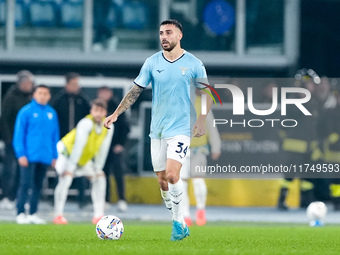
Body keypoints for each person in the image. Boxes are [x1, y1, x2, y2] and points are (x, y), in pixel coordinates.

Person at [104, 19, 213, 241]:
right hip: (158, 131)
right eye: (161, 33)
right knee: (163, 181)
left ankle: (177, 223)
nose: (164, 36)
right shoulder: (152, 62)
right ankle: (179, 220)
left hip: (181, 129)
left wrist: (201, 119)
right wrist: (116, 113)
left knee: (173, 175)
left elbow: (208, 94)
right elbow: (135, 91)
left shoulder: (194, 63)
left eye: (168, 33)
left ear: (179, 36)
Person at [53, 99, 114, 225]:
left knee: (100, 177)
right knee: (66, 179)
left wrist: (98, 167)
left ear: (105, 112)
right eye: (96, 110)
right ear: (91, 111)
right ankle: (58, 215)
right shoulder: (86, 123)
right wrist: (70, 168)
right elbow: (78, 146)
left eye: (101, 111)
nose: (98, 113)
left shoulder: (109, 126)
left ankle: (98, 215)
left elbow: (103, 149)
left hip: (82, 159)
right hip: (66, 153)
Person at [13, 85, 59, 224]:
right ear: (34, 95)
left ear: (49, 96)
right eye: (40, 93)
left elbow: (55, 135)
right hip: (29, 155)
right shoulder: (26, 111)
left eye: (45, 93)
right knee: (25, 184)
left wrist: (54, 155)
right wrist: (21, 153)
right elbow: (19, 134)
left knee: (38, 185)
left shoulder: (51, 113)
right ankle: (20, 212)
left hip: (45, 156)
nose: (43, 96)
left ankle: (33, 212)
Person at [181, 93, 221, 226]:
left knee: (198, 180)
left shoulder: (203, 105)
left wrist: (216, 146)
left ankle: (200, 210)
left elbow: (211, 126)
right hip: (181, 149)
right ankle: (185, 214)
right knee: (182, 183)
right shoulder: (179, 103)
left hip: (199, 148)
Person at [51, 72, 91, 208]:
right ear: (67, 84)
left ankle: (82, 200)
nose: (76, 87)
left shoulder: (83, 100)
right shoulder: (58, 100)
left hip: (79, 143)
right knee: (60, 170)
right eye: (73, 84)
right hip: (63, 142)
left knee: (80, 170)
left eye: (77, 84)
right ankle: (55, 200)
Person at [0, 70, 34, 210]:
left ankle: (18, 197)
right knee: (10, 170)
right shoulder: (11, 97)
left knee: (23, 171)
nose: (28, 86)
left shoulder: (33, 98)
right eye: (26, 83)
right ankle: (6, 196)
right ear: (20, 84)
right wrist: (8, 139)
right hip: (12, 141)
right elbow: (4, 120)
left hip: (28, 142)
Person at [97, 86, 130, 212]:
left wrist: (120, 144)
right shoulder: (97, 108)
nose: (104, 95)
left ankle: (122, 199)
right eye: (102, 92)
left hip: (115, 146)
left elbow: (125, 127)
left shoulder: (118, 107)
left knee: (118, 173)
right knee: (103, 173)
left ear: (110, 93)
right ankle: (105, 200)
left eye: (106, 92)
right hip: (101, 148)